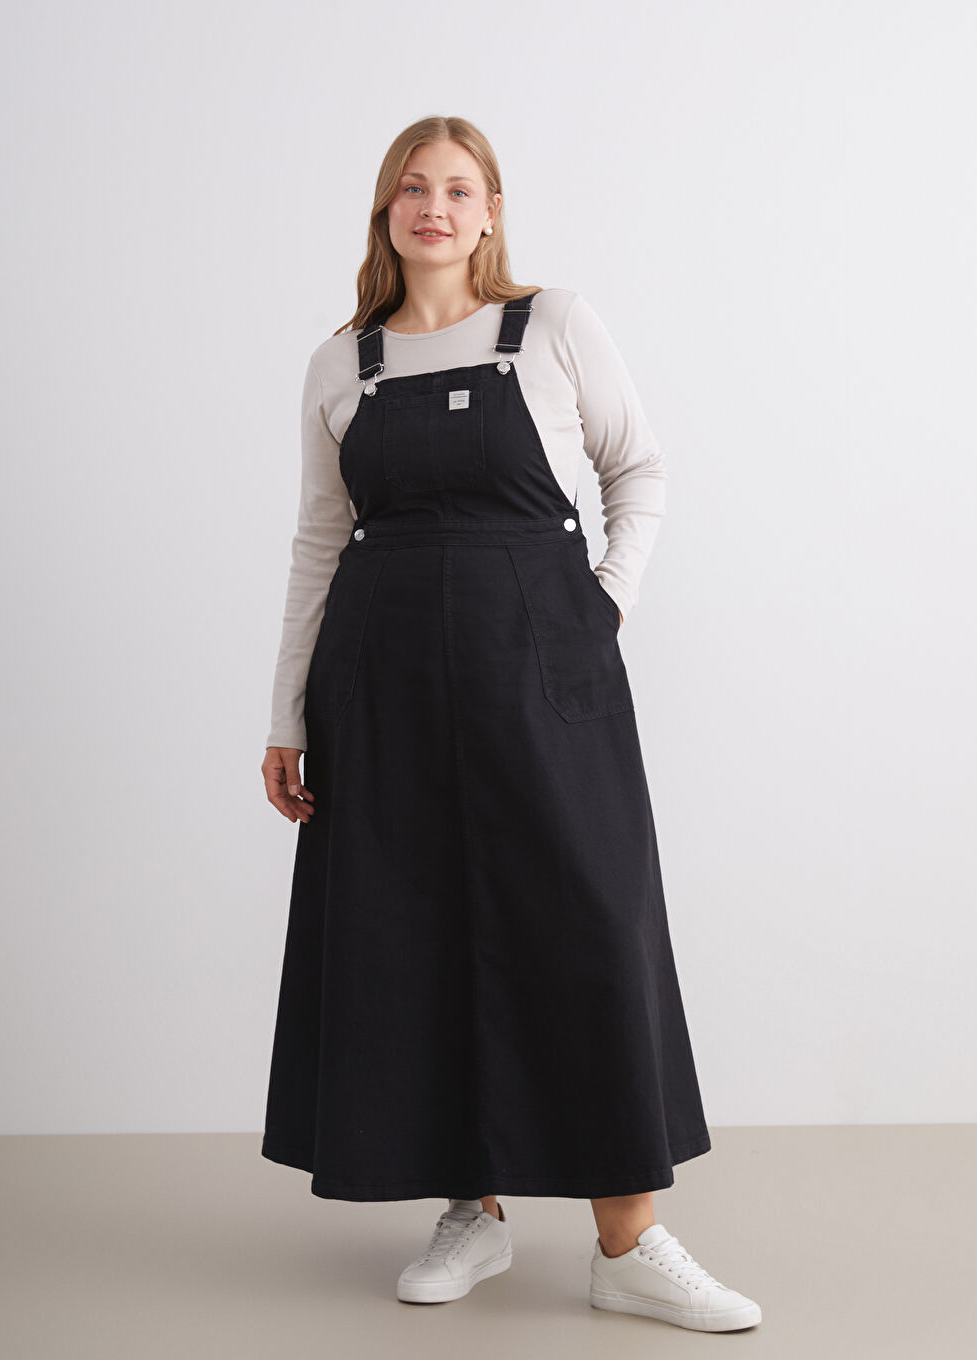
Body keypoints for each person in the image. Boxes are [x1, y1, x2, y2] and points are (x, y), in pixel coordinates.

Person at [259, 115, 762, 1333]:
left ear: (490, 211)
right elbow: (320, 541)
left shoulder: (553, 326)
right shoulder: (342, 364)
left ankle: (628, 1242)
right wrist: (285, 714)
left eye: (459, 188)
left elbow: (639, 471)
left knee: (585, 920)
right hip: (381, 682)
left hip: (542, 668)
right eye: (412, 188)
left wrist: (600, 608)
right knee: (411, 927)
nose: (434, 207)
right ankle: (470, 1211)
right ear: (385, 210)